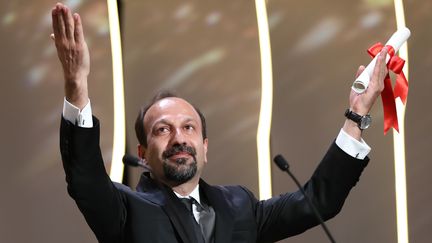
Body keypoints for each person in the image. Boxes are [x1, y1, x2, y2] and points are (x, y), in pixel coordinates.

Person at [52, 3, 389, 243]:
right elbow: (85, 178)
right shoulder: (126, 209)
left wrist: (357, 115)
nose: (178, 138)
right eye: (162, 129)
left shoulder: (239, 206)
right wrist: (76, 85)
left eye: (189, 128)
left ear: (205, 147)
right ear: (142, 153)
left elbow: (318, 201)